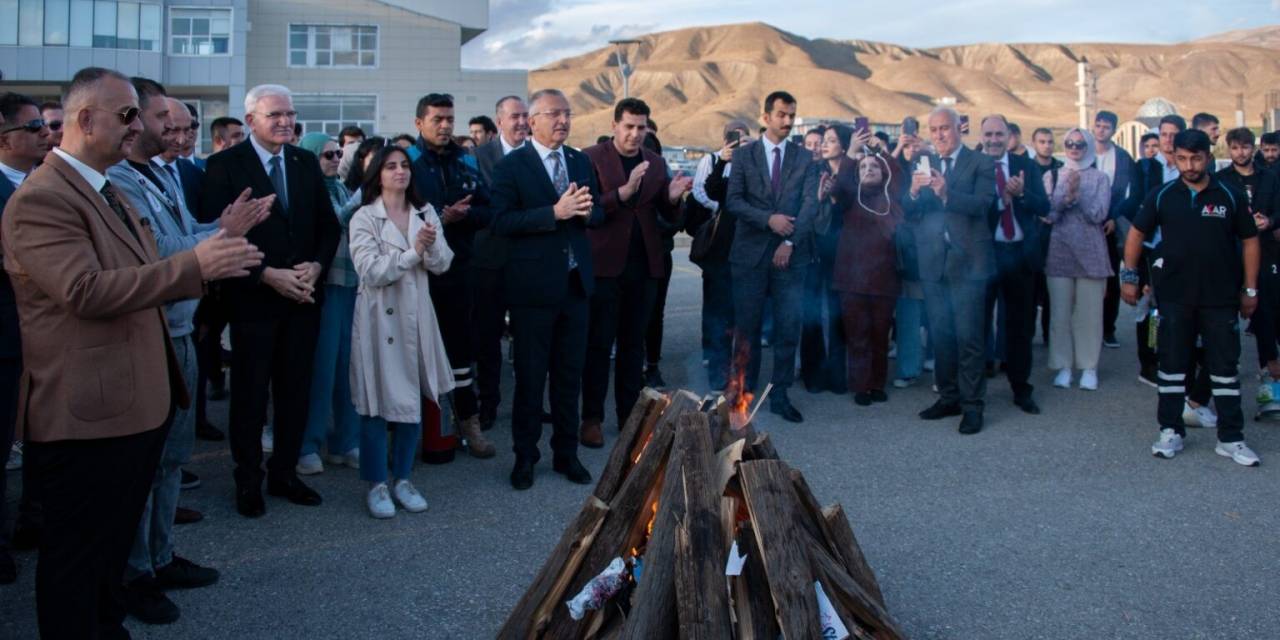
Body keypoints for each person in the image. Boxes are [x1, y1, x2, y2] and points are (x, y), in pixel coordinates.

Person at [3, 66, 262, 639]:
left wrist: (209, 246)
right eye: (127, 115)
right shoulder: (40, 198)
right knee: (76, 559)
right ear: (84, 119)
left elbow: (146, 268)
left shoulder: (108, 188)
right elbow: (83, 290)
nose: (138, 126)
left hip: (131, 402)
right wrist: (196, 265)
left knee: (109, 549)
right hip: (86, 415)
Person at [107, 88, 271, 624]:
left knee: (172, 459)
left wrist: (223, 229)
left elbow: (182, 241)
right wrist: (218, 239)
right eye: (165, 122)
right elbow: (158, 258)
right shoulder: (120, 181)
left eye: (182, 125)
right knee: (144, 465)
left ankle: (158, 556)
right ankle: (135, 574)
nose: (177, 133)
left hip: (180, 329)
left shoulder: (160, 174)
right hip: (151, 333)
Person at [200, 83, 341, 518]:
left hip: (302, 298)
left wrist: (316, 267)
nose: (285, 122)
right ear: (250, 121)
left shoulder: (303, 162)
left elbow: (327, 227)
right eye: (274, 115)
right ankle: (248, 479)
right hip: (252, 301)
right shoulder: (224, 166)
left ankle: (284, 473)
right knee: (250, 394)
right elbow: (214, 238)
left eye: (290, 114)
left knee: (295, 391)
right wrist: (266, 276)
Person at [1122, 129, 1260, 467]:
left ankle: (1230, 438)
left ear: (1208, 158)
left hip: (1221, 297)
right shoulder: (1163, 194)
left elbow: (1250, 241)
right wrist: (1129, 276)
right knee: (1171, 366)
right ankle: (1170, 430)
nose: (1189, 165)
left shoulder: (1229, 194)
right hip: (1174, 297)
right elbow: (1137, 233)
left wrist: (1250, 288)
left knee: (1224, 368)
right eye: (1182, 158)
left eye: (1196, 158)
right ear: (1174, 157)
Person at [489, 88, 603, 490]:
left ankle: (565, 454)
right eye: (554, 114)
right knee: (531, 379)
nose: (563, 121)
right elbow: (501, 221)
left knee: (570, 377)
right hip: (533, 291)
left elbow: (598, 208)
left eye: (567, 114)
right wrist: (553, 213)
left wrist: (588, 212)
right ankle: (525, 457)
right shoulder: (513, 165)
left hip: (575, 287)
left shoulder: (579, 160)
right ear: (532, 120)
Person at [348, 145, 454, 517]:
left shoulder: (424, 212)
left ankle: (403, 478)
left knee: (412, 398)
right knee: (376, 401)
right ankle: (377, 484)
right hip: (379, 318)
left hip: (416, 315)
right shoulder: (364, 217)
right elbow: (371, 271)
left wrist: (429, 246)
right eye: (391, 166)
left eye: (405, 165)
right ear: (377, 173)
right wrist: (413, 252)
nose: (400, 172)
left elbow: (443, 264)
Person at [580, 98, 689, 447]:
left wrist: (672, 198)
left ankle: (629, 416)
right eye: (628, 126)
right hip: (604, 266)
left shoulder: (655, 163)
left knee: (632, 347)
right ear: (614, 125)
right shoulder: (591, 158)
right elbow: (588, 208)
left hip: (644, 267)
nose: (635, 134)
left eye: (641, 127)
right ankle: (592, 418)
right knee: (598, 346)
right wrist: (621, 194)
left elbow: (666, 215)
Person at [410, 93, 496, 458]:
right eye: (437, 119)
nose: (445, 126)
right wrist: (440, 220)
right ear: (419, 123)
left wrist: (464, 217)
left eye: (449, 119)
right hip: (415, 273)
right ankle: (413, 434)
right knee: (414, 354)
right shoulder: (406, 163)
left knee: (461, 350)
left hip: (460, 271)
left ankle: (468, 423)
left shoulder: (467, 162)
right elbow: (392, 215)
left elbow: (489, 210)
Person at [725, 90, 819, 423]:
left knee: (787, 328)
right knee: (746, 329)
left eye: (792, 115)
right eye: (781, 115)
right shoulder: (744, 156)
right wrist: (769, 219)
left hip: (790, 258)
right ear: (765, 117)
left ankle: (779, 394)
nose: (788, 121)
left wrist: (790, 242)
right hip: (749, 256)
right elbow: (733, 201)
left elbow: (810, 206)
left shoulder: (805, 158)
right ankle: (740, 395)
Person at [908, 106, 996, 434]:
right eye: (934, 130)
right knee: (941, 337)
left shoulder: (981, 162)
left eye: (945, 128)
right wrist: (914, 192)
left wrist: (947, 195)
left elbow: (984, 204)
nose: (939, 135)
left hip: (970, 264)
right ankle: (949, 397)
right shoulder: (923, 162)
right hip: (934, 264)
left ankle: (973, 406)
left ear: (959, 128)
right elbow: (910, 213)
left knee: (969, 338)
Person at [0, 92, 48, 586]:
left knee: (44, 434)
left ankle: (34, 519)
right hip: (7, 335)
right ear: (5, 138)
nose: (44, 134)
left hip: (49, 338)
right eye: (34, 127)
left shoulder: (48, 184)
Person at [296, 133, 362, 475]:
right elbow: (335, 222)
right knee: (321, 371)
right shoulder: (308, 190)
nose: (336, 159)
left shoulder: (340, 187)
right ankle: (308, 444)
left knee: (349, 369)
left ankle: (345, 441)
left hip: (350, 286)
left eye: (338, 153)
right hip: (324, 289)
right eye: (327, 155)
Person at [826, 127, 903, 404]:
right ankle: (860, 386)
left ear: (883, 173)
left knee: (880, 334)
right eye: (864, 167)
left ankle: (877, 383)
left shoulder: (892, 198)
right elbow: (837, 185)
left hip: (884, 279)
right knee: (857, 334)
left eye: (874, 167)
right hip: (852, 279)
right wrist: (851, 154)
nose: (869, 169)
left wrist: (879, 150)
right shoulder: (849, 197)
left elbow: (898, 173)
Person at [980, 114, 1048, 415]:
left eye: (999, 134)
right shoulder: (974, 166)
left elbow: (1044, 206)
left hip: (1020, 254)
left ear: (1009, 136)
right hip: (985, 254)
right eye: (989, 134)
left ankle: (1021, 388)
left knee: (1020, 326)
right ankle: (975, 387)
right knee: (979, 322)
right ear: (981, 136)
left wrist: (1021, 195)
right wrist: (999, 201)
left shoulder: (1026, 166)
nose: (994, 140)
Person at [472, 95, 529, 430]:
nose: (522, 122)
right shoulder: (478, 158)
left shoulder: (540, 157)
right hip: (490, 260)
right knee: (488, 337)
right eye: (515, 117)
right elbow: (479, 207)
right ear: (500, 121)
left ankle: (529, 402)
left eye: (526, 116)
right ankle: (489, 403)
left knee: (529, 338)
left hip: (528, 261)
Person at [1043, 128, 1113, 391]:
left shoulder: (1100, 178)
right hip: (1059, 251)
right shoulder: (1051, 176)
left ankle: (1089, 366)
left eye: (1080, 144)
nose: (1074, 148)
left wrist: (1079, 196)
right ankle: (1063, 365)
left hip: (1091, 252)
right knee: (1059, 313)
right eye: (1070, 143)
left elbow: (1098, 214)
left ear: (1089, 147)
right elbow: (1048, 215)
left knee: (1089, 314)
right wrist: (1064, 197)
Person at [687, 119, 751, 391]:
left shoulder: (757, 167)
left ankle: (743, 376)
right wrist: (724, 161)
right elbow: (708, 189)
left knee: (746, 319)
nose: (738, 143)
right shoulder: (717, 164)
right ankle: (718, 377)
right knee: (719, 317)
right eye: (733, 139)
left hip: (750, 253)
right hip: (721, 252)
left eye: (743, 139)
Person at [1125, 115, 1186, 388]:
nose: (1169, 139)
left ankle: (1180, 359)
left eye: (1174, 134)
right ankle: (1149, 362)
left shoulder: (1190, 169)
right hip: (1151, 249)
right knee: (1148, 308)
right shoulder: (1145, 168)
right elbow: (1131, 203)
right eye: (1164, 134)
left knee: (1180, 306)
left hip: (1183, 251)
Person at [1217, 128, 1280, 387]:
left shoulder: (1270, 177)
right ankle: (1226, 365)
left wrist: (1270, 220)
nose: (1240, 153)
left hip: (1266, 250)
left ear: (1252, 148)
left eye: (1244, 147)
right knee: (1228, 311)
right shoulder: (1220, 179)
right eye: (1235, 148)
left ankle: (1269, 364)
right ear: (1229, 149)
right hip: (1231, 252)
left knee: (1266, 308)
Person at [801, 124, 851, 395]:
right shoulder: (814, 173)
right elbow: (808, 212)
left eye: (830, 141)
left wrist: (836, 196)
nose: (823, 145)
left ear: (843, 145)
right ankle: (812, 373)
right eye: (823, 141)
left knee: (838, 314)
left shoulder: (853, 172)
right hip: (815, 250)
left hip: (844, 253)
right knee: (811, 314)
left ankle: (838, 373)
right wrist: (822, 198)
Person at [1093, 110, 1137, 350]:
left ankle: (1109, 328)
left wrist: (1113, 217)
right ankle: (1089, 328)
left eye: (1106, 126)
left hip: (1110, 225)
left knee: (1110, 277)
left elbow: (1130, 193)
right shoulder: (1084, 153)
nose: (1101, 130)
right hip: (1085, 225)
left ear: (1113, 130)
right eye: (1097, 125)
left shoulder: (1122, 157)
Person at [1030, 126, 1063, 344]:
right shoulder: (1027, 168)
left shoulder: (1061, 169)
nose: (1046, 145)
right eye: (1042, 141)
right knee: (1032, 289)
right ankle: (1027, 335)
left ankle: (1050, 336)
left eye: (1050, 141)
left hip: (1057, 234)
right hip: (1033, 236)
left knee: (1053, 291)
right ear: (1034, 144)